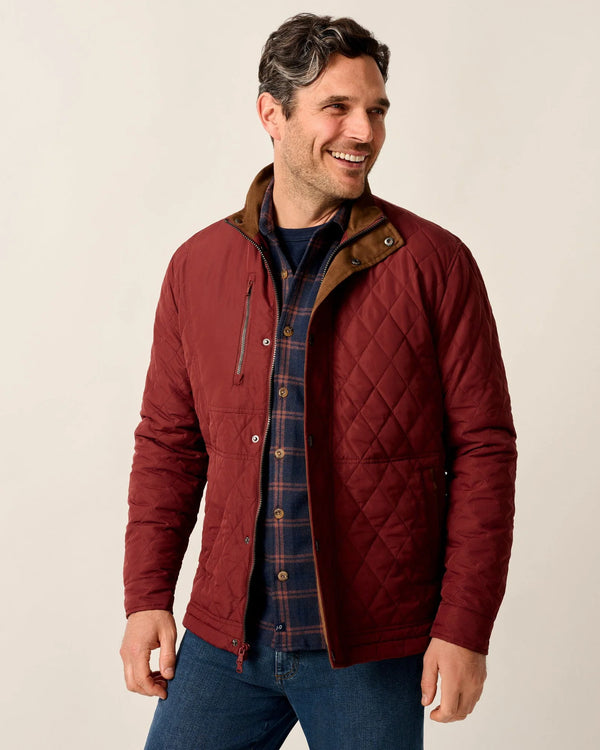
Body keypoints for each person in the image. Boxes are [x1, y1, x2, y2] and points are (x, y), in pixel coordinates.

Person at [120, 13, 517, 750]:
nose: (363, 131)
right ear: (271, 114)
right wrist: (147, 596)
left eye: (377, 110)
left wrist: (465, 627)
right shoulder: (198, 266)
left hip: (370, 648)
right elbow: (170, 443)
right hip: (224, 642)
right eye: (337, 107)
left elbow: (484, 450)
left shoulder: (434, 263)